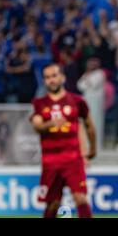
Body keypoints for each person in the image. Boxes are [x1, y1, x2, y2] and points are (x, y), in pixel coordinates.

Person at [30, 63, 96, 218]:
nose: (51, 80)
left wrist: (92, 149)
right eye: (47, 77)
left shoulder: (77, 101)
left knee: (80, 197)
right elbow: (37, 125)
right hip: (50, 161)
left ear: (62, 78)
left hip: (73, 159)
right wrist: (50, 124)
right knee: (52, 204)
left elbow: (89, 126)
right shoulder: (39, 103)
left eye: (54, 76)